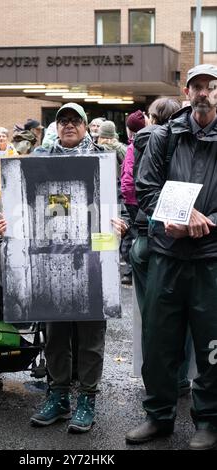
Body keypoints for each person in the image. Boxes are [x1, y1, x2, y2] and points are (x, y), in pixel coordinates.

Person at [0, 103, 128, 433]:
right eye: (63, 121)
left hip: (94, 253)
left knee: (90, 335)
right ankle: (58, 396)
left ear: (85, 126)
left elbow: (121, 201)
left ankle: (86, 398)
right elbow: (23, 202)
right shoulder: (40, 158)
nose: (69, 125)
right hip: (49, 257)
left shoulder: (105, 158)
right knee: (56, 335)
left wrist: (120, 223)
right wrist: (9, 223)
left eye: (75, 121)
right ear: (56, 127)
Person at [125, 64, 217, 450]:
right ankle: (158, 415)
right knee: (160, 341)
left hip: (210, 258)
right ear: (187, 90)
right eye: (197, 86)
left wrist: (208, 222)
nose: (204, 93)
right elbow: (145, 189)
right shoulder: (164, 136)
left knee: (211, 345)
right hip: (166, 253)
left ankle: (209, 421)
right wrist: (178, 217)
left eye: (212, 87)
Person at [130, 97, 192, 396]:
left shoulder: (138, 143)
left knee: (153, 315)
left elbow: (130, 188)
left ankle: (152, 379)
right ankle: (179, 379)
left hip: (143, 234)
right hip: (174, 238)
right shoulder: (182, 143)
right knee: (183, 312)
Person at [120, 110, 146, 285]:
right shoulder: (145, 143)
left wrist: (128, 196)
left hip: (133, 200)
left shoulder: (133, 146)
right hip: (138, 199)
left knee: (134, 237)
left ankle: (131, 271)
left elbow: (128, 176)